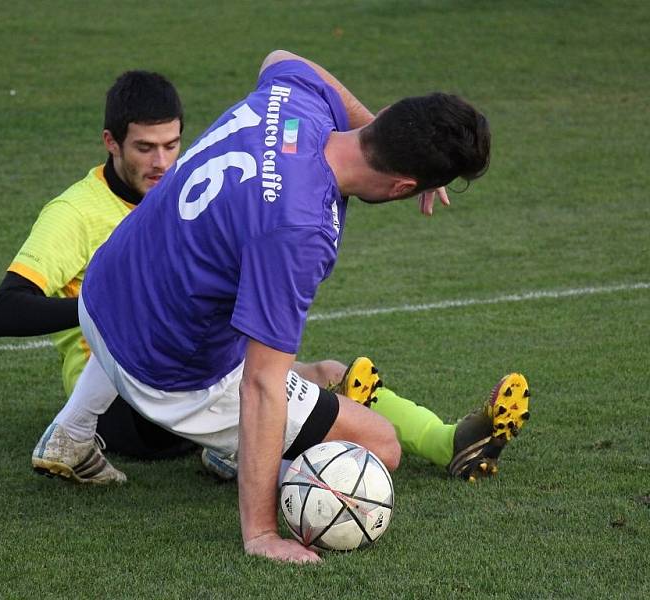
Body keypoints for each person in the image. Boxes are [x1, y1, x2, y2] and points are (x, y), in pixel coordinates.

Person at [32, 49, 528, 563]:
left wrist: (394, 133)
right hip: (164, 372)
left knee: (315, 371)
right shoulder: (299, 231)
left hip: (106, 292)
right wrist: (261, 534)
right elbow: (261, 384)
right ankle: (241, 456)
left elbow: (282, 56)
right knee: (381, 445)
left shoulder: (295, 102)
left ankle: (72, 431)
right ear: (405, 187)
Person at [0, 70, 196, 461]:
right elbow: (2, 313)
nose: (162, 163)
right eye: (145, 148)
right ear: (110, 142)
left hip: (181, 372)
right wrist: (110, 311)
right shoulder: (75, 213)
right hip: (118, 407)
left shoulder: (188, 190)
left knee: (320, 375)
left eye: (171, 145)